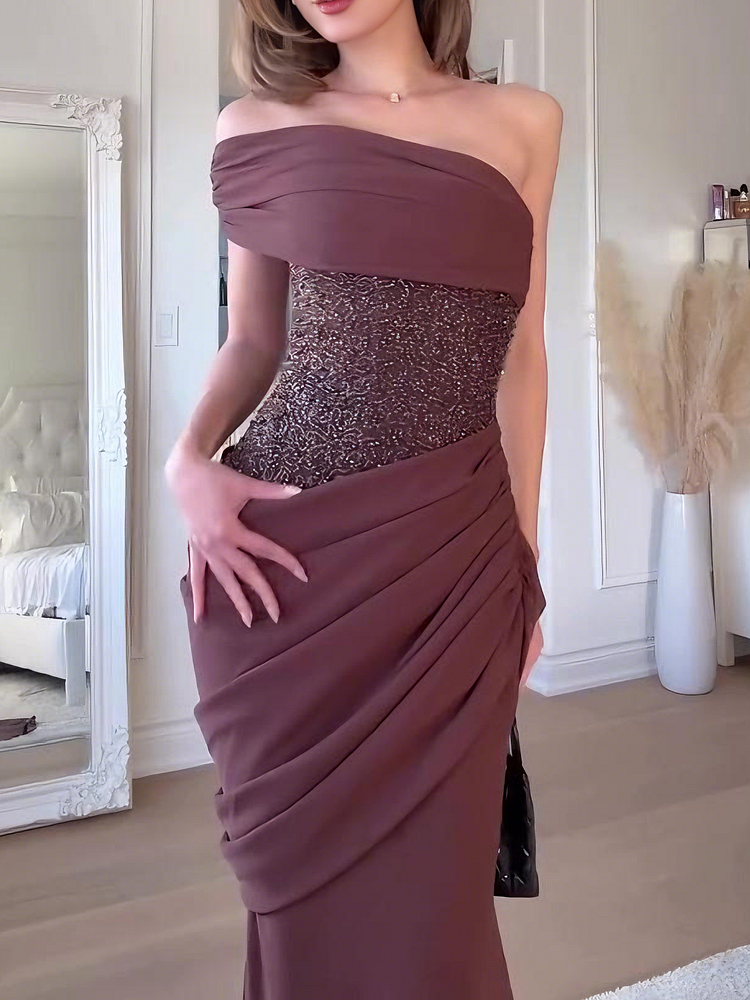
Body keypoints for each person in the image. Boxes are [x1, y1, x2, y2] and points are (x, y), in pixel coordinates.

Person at [166, 0, 562, 996]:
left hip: (453, 563)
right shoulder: (255, 125)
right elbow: (253, 340)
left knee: (438, 905)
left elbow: (523, 358)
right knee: (304, 912)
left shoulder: (525, 122)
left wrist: (522, 564)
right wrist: (186, 459)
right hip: (287, 569)